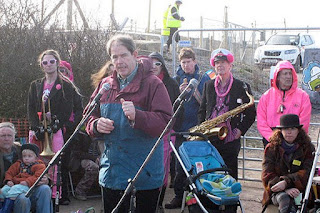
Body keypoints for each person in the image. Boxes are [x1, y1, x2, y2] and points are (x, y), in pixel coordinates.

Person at [85, 34, 173, 213]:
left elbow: (166, 122)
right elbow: (87, 117)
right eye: (114, 57)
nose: (119, 61)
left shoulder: (153, 84)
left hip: (144, 172)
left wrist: (138, 117)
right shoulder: (105, 85)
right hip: (113, 171)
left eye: (124, 55)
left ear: (135, 54)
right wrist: (95, 125)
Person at [197, 48, 256, 212]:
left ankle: (230, 208)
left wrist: (239, 131)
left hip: (230, 138)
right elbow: (202, 110)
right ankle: (211, 206)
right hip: (210, 137)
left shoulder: (241, 86)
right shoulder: (208, 85)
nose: (220, 65)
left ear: (230, 65)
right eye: (217, 63)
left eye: (223, 62)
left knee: (229, 174)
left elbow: (251, 113)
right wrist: (202, 130)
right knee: (209, 173)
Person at [27, 49, 80, 206]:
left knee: (56, 163)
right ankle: (37, 191)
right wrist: (36, 126)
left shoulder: (66, 85)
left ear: (57, 62)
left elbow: (68, 108)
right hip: (39, 129)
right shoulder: (35, 85)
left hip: (55, 129)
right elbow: (30, 108)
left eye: (52, 61)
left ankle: (56, 195)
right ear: (41, 65)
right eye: (45, 62)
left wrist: (58, 124)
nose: (48, 64)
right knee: (36, 160)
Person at [165, 47, 211, 209]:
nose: (186, 65)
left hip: (197, 128)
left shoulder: (203, 78)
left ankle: (199, 197)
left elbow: (206, 103)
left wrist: (193, 93)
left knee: (198, 163)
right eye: (183, 62)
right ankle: (179, 196)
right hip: (179, 129)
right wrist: (180, 94)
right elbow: (170, 105)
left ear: (195, 61)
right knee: (179, 165)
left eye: (189, 62)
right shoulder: (176, 79)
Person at [148, 52, 184, 211]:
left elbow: (179, 108)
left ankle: (158, 202)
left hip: (166, 132)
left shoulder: (171, 83)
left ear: (162, 65)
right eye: (151, 63)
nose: (154, 67)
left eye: (158, 64)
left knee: (161, 168)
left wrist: (173, 127)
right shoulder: (144, 82)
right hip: (147, 132)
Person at [261, 114, 314, 213]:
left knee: (302, 202)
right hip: (276, 190)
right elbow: (267, 175)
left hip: (300, 189)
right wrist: (284, 188)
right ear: (281, 131)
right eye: (286, 129)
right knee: (285, 199)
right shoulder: (271, 148)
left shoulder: (307, 148)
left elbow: (307, 172)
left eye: (293, 128)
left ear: (298, 130)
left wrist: (286, 182)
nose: (289, 132)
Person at [0, 122, 53, 213]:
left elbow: (38, 165)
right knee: (23, 198)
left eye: (9, 135)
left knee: (45, 189)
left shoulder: (23, 149)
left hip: (27, 185)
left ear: (14, 137)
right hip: (6, 190)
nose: (6, 139)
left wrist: (46, 179)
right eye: (3, 136)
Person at [257, 60, 312, 147]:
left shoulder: (303, 96)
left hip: (295, 140)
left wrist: (291, 138)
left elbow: (304, 121)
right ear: (277, 77)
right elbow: (261, 121)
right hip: (271, 141)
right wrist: (272, 138)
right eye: (285, 74)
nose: (288, 77)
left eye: (290, 74)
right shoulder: (266, 96)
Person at [58, 60, 84, 205]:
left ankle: (64, 194)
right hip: (53, 130)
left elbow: (79, 111)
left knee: (64, 164)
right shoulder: (50, 87)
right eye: (59, 70)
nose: (61, 73)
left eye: (64, 70)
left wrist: (70, 125)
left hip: (68, 132)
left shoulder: (74, 90)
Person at [0, 144, 45, 212]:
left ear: (36, 158)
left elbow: (37, 176)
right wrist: (9, 180)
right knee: (3, 191)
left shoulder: (39, 166)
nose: (26, 158)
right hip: (15, 183)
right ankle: (2, 205)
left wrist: (27, 182)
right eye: (24, 156)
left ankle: (5, 210)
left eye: (30, 156)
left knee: (13, 191)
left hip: (27, 186)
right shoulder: (19, 164)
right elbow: (9, 172)